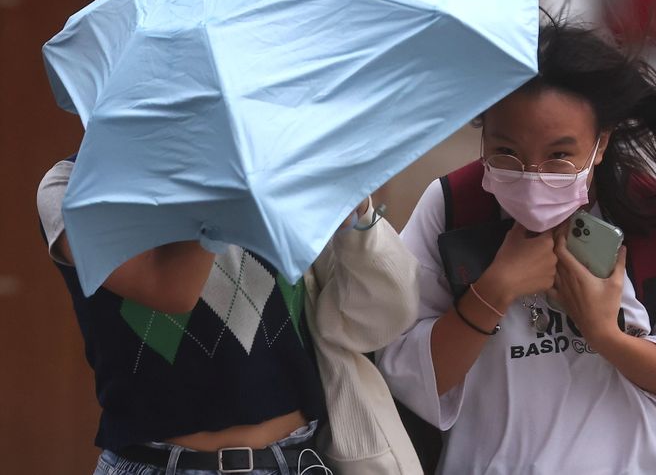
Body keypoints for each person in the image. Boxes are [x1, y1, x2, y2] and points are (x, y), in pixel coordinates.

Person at [377, 16, 656, 474]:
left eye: (559, 156)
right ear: (482, 132)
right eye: (507, 152)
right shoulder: (453, 208)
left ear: (601, 143)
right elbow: (402, 376)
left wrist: (604, 334)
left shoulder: (650, 213)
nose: (532, 175)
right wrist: (491, 294)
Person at [37, 155, 423, 475]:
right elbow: (169, 288)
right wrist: (216, 169)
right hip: (160, 463)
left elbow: (382, 316)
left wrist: (360, 220)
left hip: (293, 458)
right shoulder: (71, 183)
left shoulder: (276, 164)